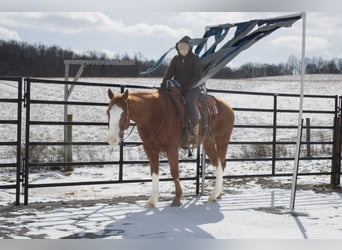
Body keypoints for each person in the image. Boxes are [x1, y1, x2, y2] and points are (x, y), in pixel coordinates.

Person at [161, 36, 202, 143]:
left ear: (189, 49)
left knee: (189, 101)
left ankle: (194, 129)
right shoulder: (175, 59)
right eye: (180, 49)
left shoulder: (195, 59)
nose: (182, 51)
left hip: (193, 88)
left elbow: (197, 76)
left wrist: (188, 87)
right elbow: (169, 74)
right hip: (178, 87)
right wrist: (163, 85)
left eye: (185, 49)